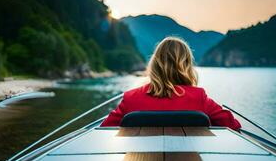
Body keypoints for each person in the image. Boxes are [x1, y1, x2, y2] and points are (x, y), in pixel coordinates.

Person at [101, 37, 241, 131]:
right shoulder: (199, 97)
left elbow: (104, 130)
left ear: (155, 64)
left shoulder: (131, 98)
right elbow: (233, 125)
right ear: (186, 65)